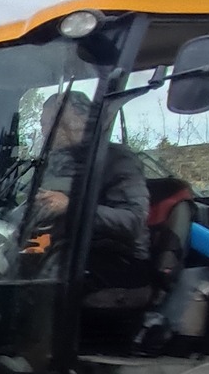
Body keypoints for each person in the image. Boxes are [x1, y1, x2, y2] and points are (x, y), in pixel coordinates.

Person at [29, 89, 151, 288]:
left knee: (38, 283)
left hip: (116, 260)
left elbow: (133, 221)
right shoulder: (54, 163)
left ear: (80, 120)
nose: (44, 132)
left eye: (51, 123)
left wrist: (72, 206)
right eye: (43, 125)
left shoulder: (117, 159)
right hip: (61, 248)